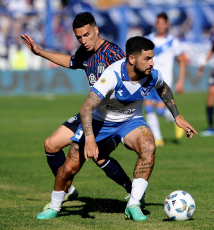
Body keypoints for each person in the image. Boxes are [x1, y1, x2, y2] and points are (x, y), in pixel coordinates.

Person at [36, 36, 198, 221]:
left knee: (148, 147)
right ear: (131, 59)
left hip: (130, 121)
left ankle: (134, 204)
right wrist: (89, 138)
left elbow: (163, 88)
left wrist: (177, 116)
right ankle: (55, 207)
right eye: (147, 58)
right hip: (99, 122)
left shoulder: (153, 74)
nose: (152, 63)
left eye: (152, 58)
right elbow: (86, 108)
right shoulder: (112, 76)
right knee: (70, 167)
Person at [21, 12, 132, 208]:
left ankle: (133, 192)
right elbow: (71, 62)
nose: (83, 40)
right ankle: (68, 190)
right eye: (79, 37)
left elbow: (129, 80)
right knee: (51, 145)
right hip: (91, 114)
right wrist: (39, 52)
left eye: (87, 35)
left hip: (112, 117)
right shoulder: (85, 52)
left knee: (100, 157)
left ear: (96, 30)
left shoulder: (113, 54)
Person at [144, 12, 187, 146]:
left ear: (167, 24)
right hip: (148, 78)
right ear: (156, 24)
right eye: (158, 23)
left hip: (164, 80)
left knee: (161, 110)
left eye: (163, 23)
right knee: (149, 108)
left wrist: (180, 81)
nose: (160, 26)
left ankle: (176, 120)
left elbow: (182, 61)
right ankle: (158, 138)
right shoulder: (148, 40)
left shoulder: (173, 42)